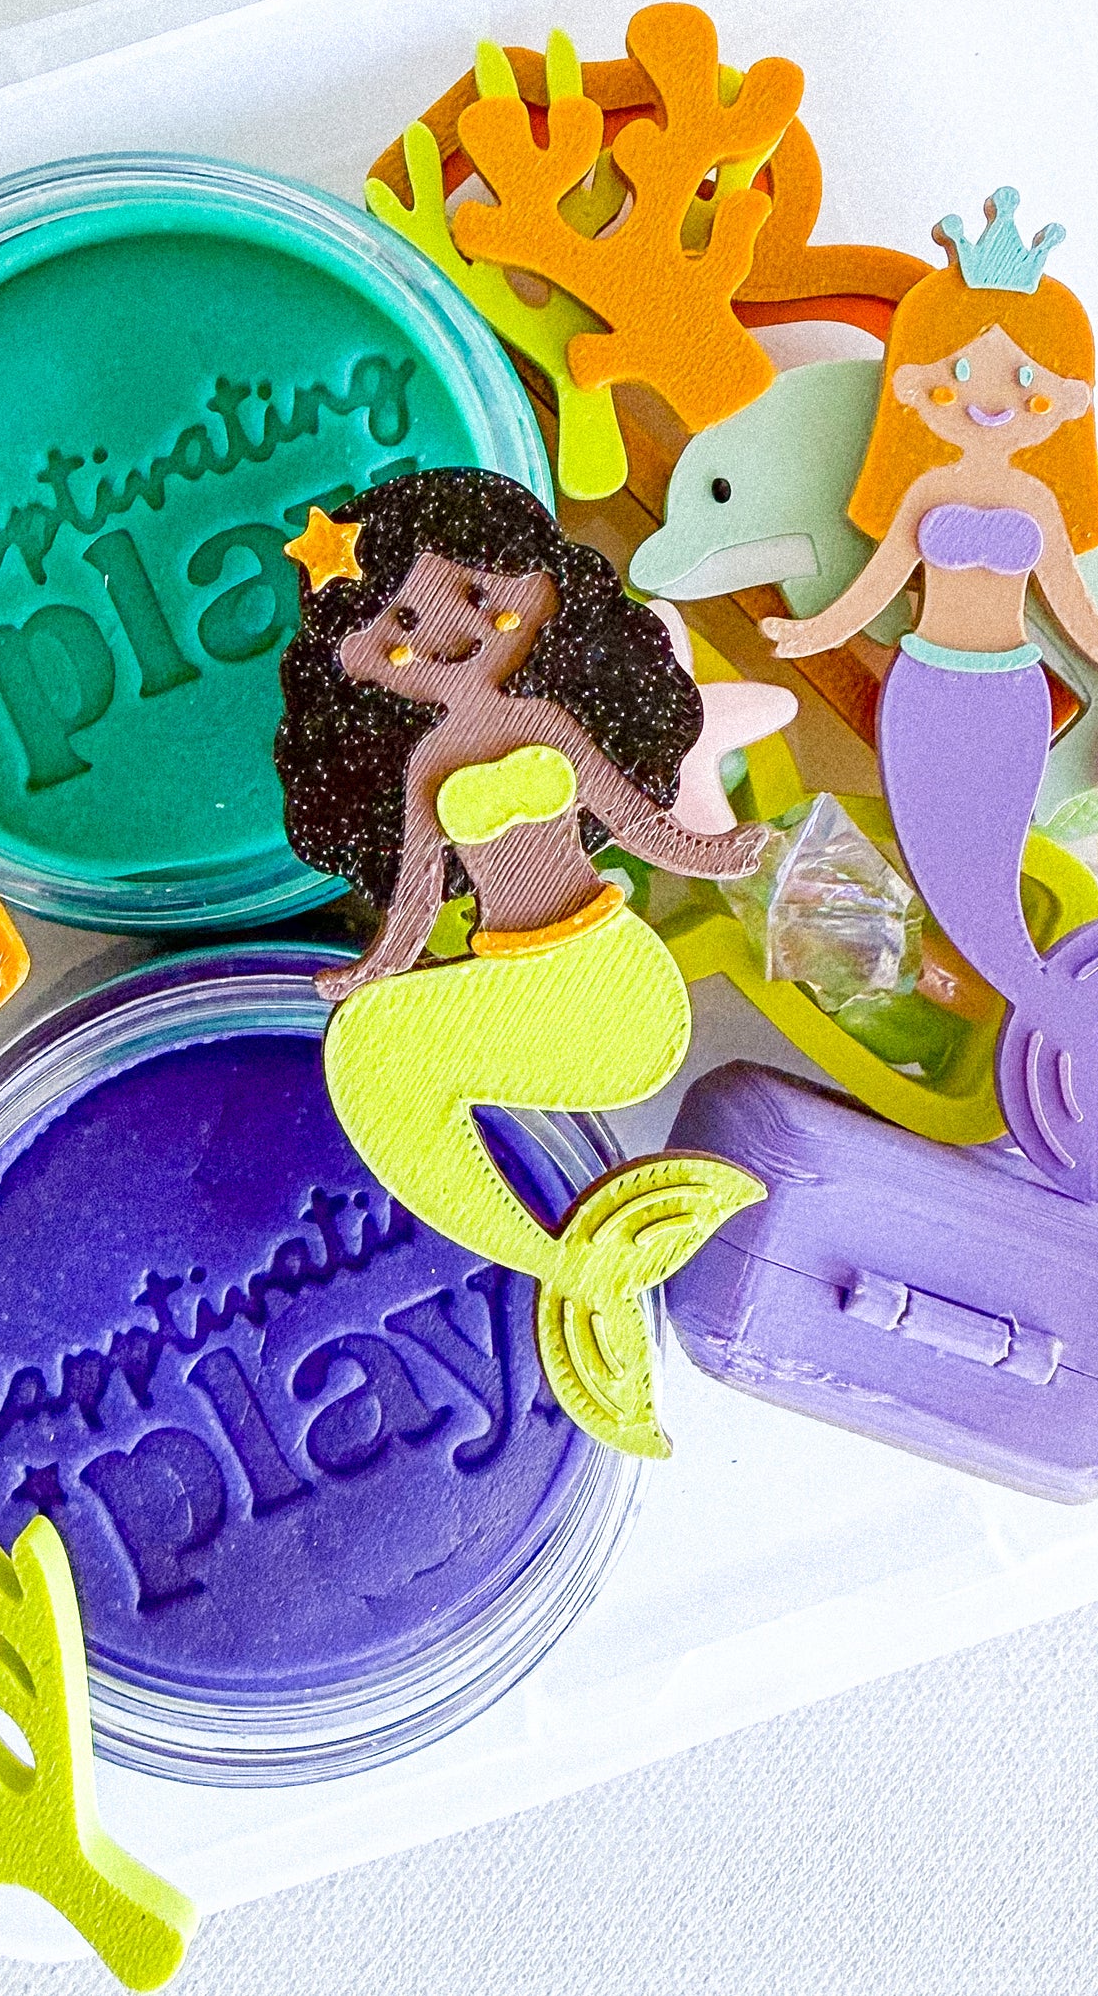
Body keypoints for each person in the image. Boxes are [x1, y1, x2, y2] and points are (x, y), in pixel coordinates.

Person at [761, 189, 1098, 1197]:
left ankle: (1050, 1004)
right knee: (945, 864)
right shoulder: (921, 491)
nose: (986, 398)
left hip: (1010, 694)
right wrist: (809, 633)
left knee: (991, 863)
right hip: (922, 685)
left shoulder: (1037, 498)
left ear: (1062, 399)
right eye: (957, 375)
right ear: (916, 387)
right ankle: (1051, 1003)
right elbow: (873, 585)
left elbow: (1068, 603)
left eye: (1023, 380)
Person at [277, 468, 769, 1458]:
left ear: (529, 585)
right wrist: (370, 968)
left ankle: (570, 1263)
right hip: (510, 979)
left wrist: (719, 853)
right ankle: (562, 1263)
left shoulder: (549, 721)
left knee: (376, 1051)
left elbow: (634, 817)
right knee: (369, 1045)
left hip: (608, 980)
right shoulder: (426, 764)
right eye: (401, 618)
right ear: (364, 661)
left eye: (470, 590)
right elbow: (417, 894)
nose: (447, 628)